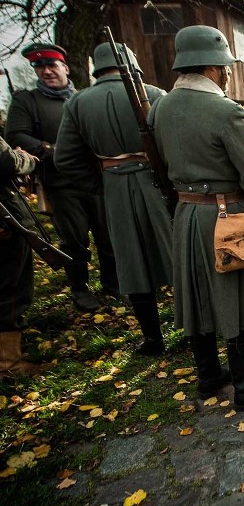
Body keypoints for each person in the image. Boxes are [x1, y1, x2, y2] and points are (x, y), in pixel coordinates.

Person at [148, 25, 244, 408]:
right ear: (214, 68)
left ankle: (209, 377)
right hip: (226, 218)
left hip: (186, 215)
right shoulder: (227, 112)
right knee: (240, 297)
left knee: (198, 297)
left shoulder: (159, 108)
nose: (228, 73)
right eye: (225, 66)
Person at [53, 42, 173, 356]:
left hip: (114, 188)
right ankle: (198, 330)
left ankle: (153, 339)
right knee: (176, 256)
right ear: (132, 64)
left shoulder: (77, 102)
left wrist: (101, 184)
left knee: (131, 262)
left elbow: (65, 159)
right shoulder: (154, 94)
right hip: (156, 184)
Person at [5, 43, 118, 312]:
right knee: (75, 240)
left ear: (65, 67)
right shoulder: (27, 101)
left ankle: (113, 286)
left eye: (51, 65)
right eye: (40, 67)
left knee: (107, 236)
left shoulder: (84, 97)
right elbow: (16, 136)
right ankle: (80, 289)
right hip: (61, 182)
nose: (46, 71)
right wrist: (49, 149)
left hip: (96, 178)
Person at [0, 137, 41, 375]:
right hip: (4, 220)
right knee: (11, 287)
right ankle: (8, 365)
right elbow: (6, 161)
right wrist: (25, 158)